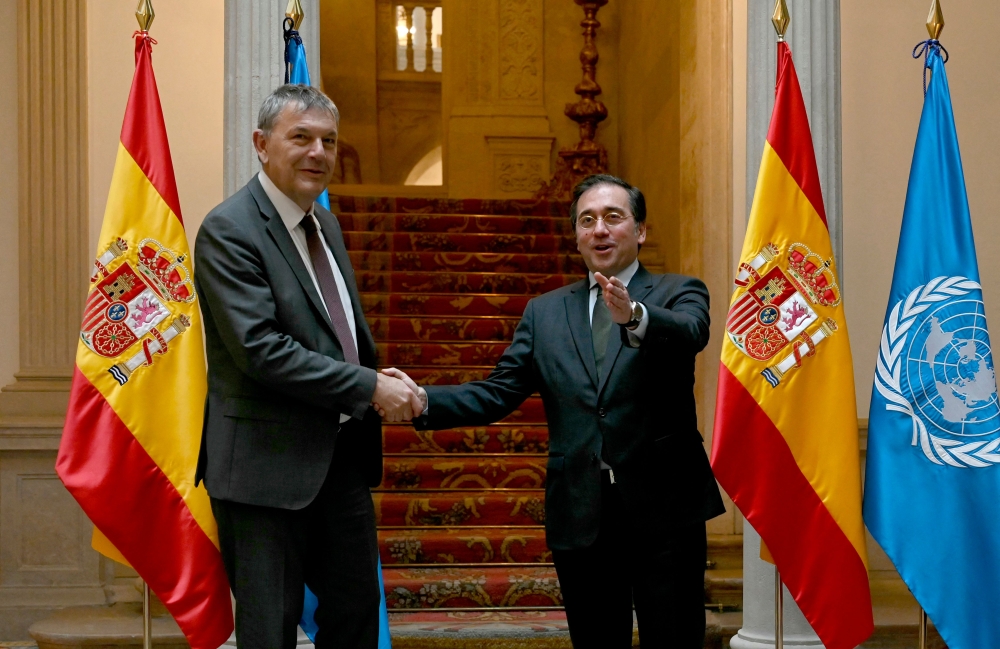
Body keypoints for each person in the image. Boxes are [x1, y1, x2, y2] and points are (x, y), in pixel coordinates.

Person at [383, 174, 725, 648]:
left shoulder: (678, 290)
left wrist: (635, 316)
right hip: (582, 511)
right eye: (587, 220)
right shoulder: (544, 313)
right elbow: (499, 391)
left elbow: (693, 332)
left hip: (666, 507)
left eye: (613, 217)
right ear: (576, 236)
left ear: (640, 231)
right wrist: (423, 400)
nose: (599, 230)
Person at [193, 84, 421, 649]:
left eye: (328, 141)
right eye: (301, 137)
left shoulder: (325, 226)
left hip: (339, 463)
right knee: (269, 633)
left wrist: (375, 375)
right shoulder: (229, 230)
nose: (318, 152)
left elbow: (331, 334)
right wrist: (366, 386)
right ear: (261, 143)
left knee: (356, 622)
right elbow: (260, 350)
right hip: (263, 475)